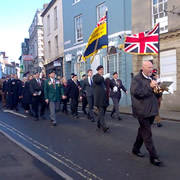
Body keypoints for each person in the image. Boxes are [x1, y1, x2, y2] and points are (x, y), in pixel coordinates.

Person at [130, 60, 163, 166]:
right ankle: (154, 157)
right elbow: (137, 93)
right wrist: (150, 86)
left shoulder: (152, 78)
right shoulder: (136, 79)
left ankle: (135, 149)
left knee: (142, 132)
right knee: (147, 134)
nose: (151, 69)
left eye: (152, 67)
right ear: (143, 68)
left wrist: (160, 88)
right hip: (142, 111)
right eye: (149, 67)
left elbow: (156, 94)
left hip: (152, 111)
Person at [93, 65, 110, 132]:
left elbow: (107, 85)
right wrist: (104, 77)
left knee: (103, 113)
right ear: (98, 70)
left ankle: (98, 123)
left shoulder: (103, 78)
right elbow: (97, 80)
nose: (102, 71)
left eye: (102, 69)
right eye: (100, 70)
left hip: (104, 98)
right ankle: (104, 126)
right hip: (99, 99)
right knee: (101, 112)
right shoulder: (95, 76)